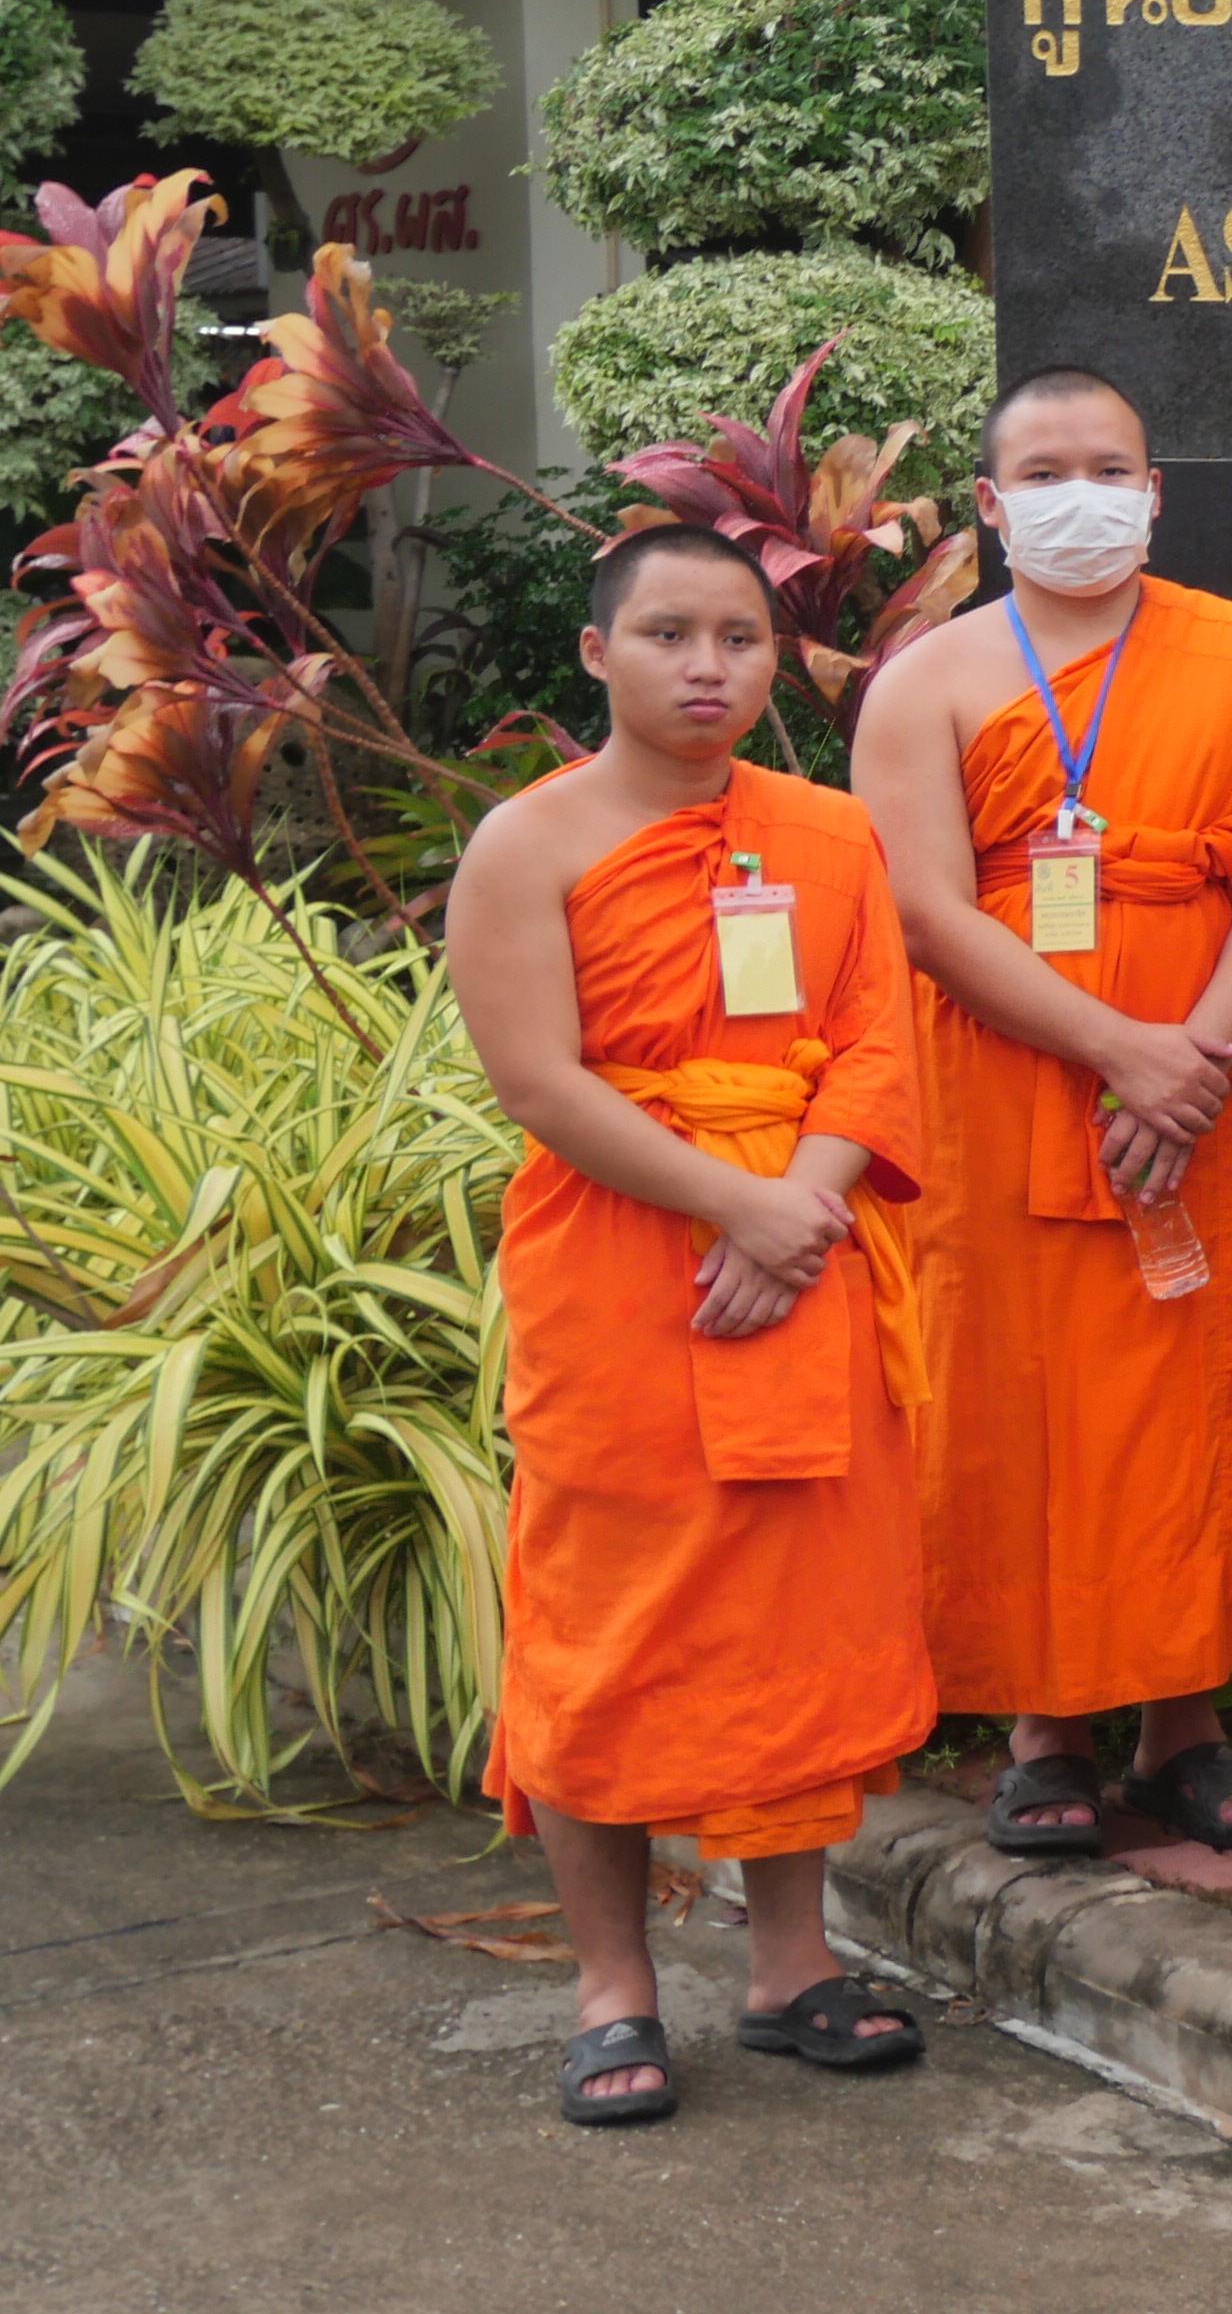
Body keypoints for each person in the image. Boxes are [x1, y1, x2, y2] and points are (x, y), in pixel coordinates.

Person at [448, 526, 936, 2127]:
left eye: (739, 635)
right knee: (610, 1621)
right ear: (598, 655)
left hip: (800, 1250)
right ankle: (612, 1988)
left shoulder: (828, 832)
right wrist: (741, 1210)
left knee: (788, 1618)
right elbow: (540, 1080)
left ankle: (790, 1965)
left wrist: (798, 1203)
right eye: (668, 634)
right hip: (623, 1271)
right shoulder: (529, 844)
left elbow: (873, 1036)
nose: (708, 664)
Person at [852, 368, 1232, 1859]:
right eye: (1043, 471)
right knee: (1018, 1393)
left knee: (1192, 1388)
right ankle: (1043, 1725)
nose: (1081, 495)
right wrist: (1120, 1050)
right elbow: (924, 910)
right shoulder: (928, 680)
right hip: (1001, 1082)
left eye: (1108, 467)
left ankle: (1186, 1719)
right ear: (991, 507)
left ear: (1155, 489)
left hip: (1205, 1079)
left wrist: (1194, 1059)